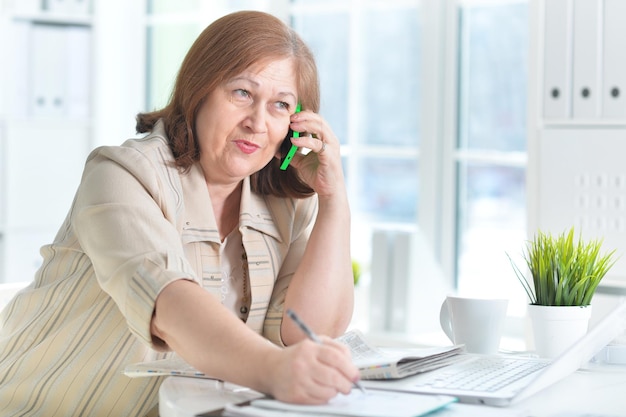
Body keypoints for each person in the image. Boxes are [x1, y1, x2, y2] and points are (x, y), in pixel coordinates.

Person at [0, 10, 359, 417]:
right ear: (200, 89)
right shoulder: (121, 173)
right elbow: (169, 304)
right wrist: (274, 369)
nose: (257, 123)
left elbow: (303, 331)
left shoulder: (286, 203)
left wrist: (334, 199)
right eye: (241, 92)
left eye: (280, 105)